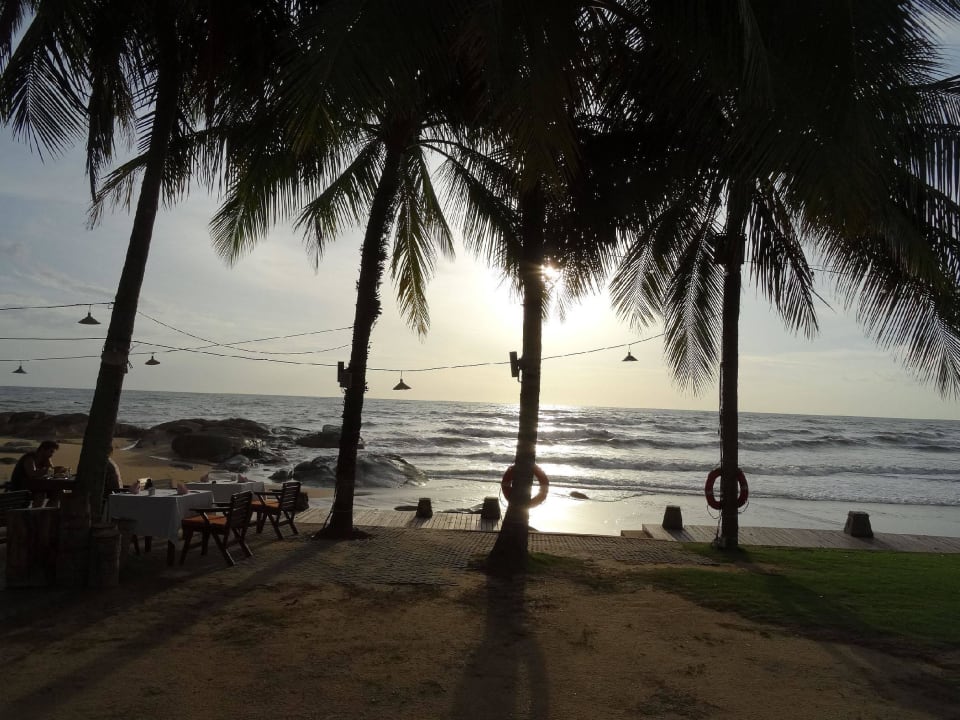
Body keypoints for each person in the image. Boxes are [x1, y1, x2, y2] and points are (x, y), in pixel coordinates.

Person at [8, 440, 61, 506]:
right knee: (40, 494)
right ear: (42, 449)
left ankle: (48, 514)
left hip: (35, 486)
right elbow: (32, 474)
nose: (52, 455)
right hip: (21, 487)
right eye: (51, 451)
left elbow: (51, 472)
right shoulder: (29, 458)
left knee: (57, 493)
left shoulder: (45, 459)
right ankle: (35, 514)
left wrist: (56, 470)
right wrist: (48, 470)